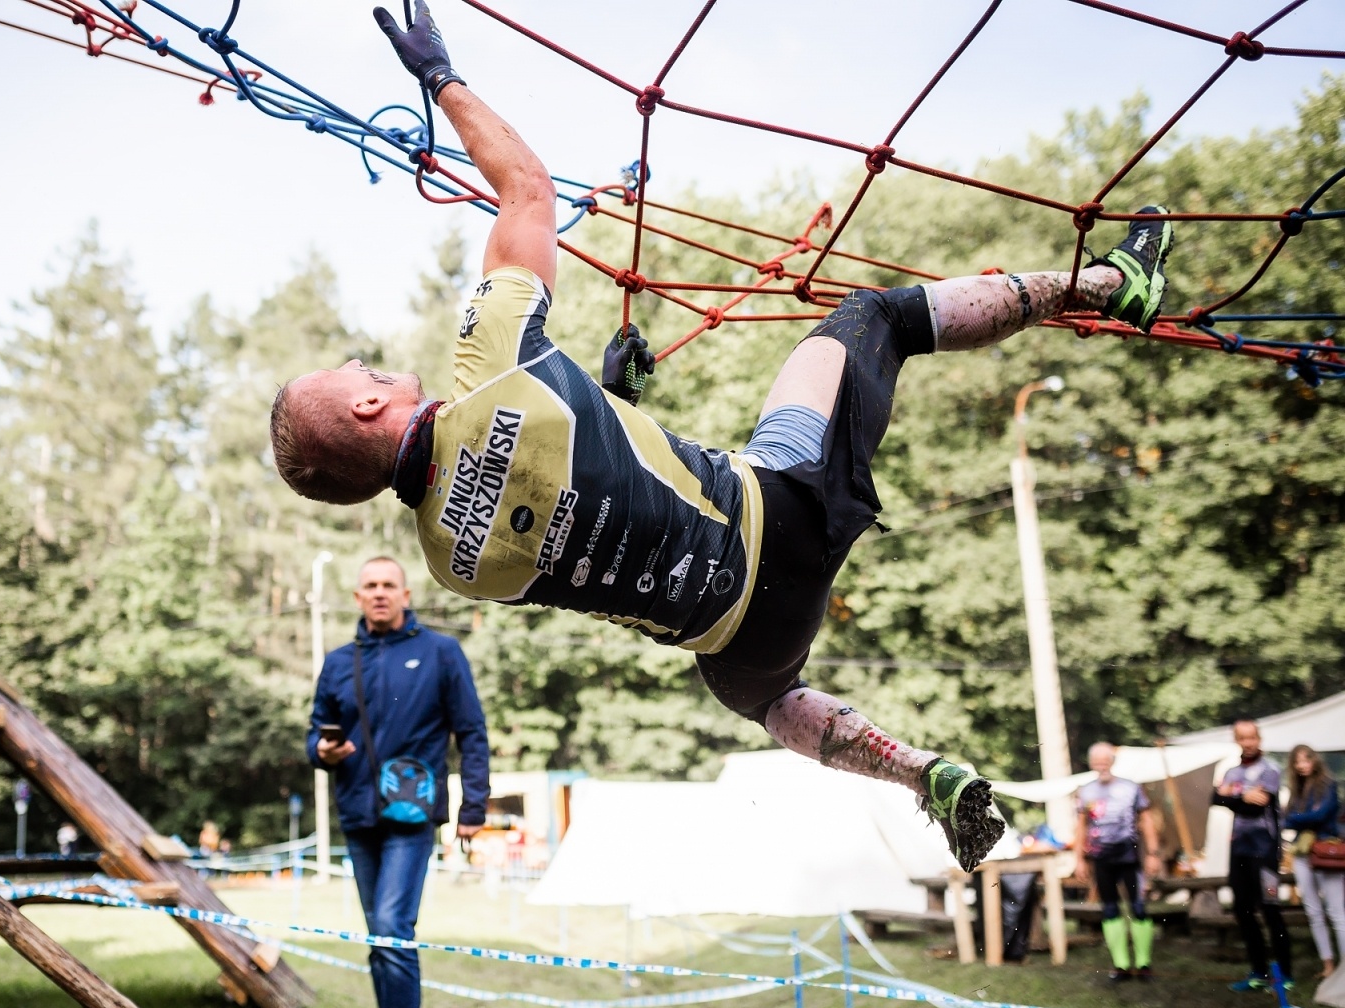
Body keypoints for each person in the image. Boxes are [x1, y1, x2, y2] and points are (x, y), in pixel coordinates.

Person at [271, 2, 1178, 872]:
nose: (368, 364)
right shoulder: (493, 358)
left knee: (762, 698)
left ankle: (919, 773)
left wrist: (608, 394)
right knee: (872, 320)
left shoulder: (450, 564)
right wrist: (441, 77)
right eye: (354, 374)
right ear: (362, 412)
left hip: (744, 639)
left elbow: (580, 516)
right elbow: (527, 191)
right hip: (776, 515)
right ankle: (1109, 284)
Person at [308, 556, 490, 1008]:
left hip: (412, 818)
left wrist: (472, 808)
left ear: (406, 595)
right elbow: (315, 730)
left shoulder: (441, 653)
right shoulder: (339, 662)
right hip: (358, 814)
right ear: (358, 598)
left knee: (391, 930)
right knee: (382, 939)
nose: (380, 593)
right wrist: (320, 751)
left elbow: (471, 733)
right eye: (370, 585)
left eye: (390, 585)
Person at [1073, 742, 1162, 982]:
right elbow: (1081, 827)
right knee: (1110, 909)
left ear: (1112, 761)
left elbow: (1146, 820)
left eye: (1105, 759)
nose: (1101, 764)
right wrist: (1079, 859)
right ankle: (1120, 965)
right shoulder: (1086, 791)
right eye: (1097, 760)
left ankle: (1143, 963)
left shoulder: (1130, 788)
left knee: (1138, 908)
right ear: (1091, 763)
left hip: (1129, 856)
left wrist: (1153, 854)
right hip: (1101, 858)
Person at [1214, 719, 1292, 992]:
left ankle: (1285, 973)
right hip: (1240, 850)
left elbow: (1256, 807)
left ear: (1259, 739)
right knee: (1242, 910)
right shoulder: (1233, 771)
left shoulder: (1270, 769)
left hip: (1266, 849)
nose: (1248, 743)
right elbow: (1215, 799)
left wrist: (1232, 796)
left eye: (1252, 738)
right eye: (1242, 738)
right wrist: (1242, 795)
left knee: (1270, 909)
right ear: (1236, 740)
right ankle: (1258, 971)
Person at [1284, 744, 1344, 978]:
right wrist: (1300, 819)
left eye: (1306, 760)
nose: (1302, 765)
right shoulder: (1296, 789)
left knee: (1337, 911)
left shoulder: (1328, 785)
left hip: (1326, 850)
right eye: (1297, 762)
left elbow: (1322, 815)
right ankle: (1327, 965)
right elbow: (1285, 819)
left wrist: (1296, 818)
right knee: (1313, 911)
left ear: (1314, 760)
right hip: (1302, 852)